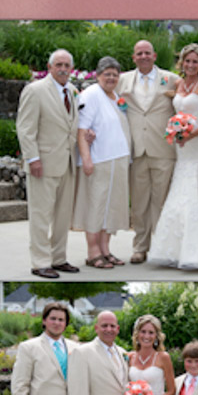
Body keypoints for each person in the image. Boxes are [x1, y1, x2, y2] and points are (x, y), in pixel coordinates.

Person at [149, 43, 198, 270]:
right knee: (180, 189)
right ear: (182, 63)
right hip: (181, 147)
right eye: (188, 61)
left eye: (195, 62)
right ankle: (173, 248)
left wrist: (191, 133)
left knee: (197, 188)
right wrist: (175, 130)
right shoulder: (178, 83)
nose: (191, 65)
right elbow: (175, 108)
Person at [17, 49, 82, 279]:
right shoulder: (35, 90)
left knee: (62, 216)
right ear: (50, 66)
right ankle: (40, 262)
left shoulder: (73, 91)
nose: (63, 69)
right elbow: (25, 128)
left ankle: (59, 258)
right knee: (41, 215)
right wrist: (32, 158)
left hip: (67, 163)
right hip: (42, 164)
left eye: (67, 65)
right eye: (59, 65)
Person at [118, 40, 183, 265]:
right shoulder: (123, 80)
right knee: (138, 203)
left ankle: (161, 247)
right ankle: (139, 247)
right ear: (134, 57)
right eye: (139, 54)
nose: (144, 56)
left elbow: (183, 108)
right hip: (136, 149)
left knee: (162, 201)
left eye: (147, 53)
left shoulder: (172, 79)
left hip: (163, 148)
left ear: (154, 56)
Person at [71, 56, 132, 269]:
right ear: (98, 76)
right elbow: (81, 131)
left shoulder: (116, 96)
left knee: (112, 207)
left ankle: (106, 249)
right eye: (107, 74)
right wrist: (86, 159)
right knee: (96, 206)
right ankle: (93, 252)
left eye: (115, 75)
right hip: (99, 160)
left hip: (119, 158)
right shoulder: (91, 95)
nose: (111, 78)